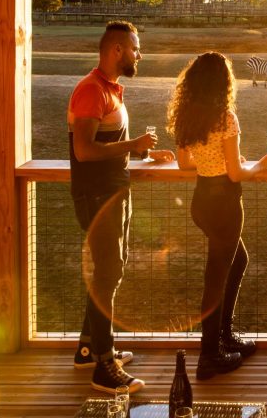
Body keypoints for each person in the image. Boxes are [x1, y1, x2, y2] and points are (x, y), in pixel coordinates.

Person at [68, 20, 174, 394]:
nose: (139, 54)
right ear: (117, 50)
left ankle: (86, 348)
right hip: (97, 197)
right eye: (135, 47)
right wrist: (133, 146)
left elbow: (110, 146)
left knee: (108, 272)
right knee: (109, 275)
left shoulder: (110, 90)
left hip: (113, 192)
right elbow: (84, 151)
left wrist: (144, 152)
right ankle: (103, 364)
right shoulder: (90, 90)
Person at [166, 52, 267, 380]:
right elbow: (236, 173)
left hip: (202, 202)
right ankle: (209, 356)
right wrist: (259, 165)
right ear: (223, 83)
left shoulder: (187, 116)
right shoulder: (226, 118)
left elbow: (186, 163)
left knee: (236, 262)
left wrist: (217, 159)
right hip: (225, 204)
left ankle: (224, 337)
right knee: (215, 280)